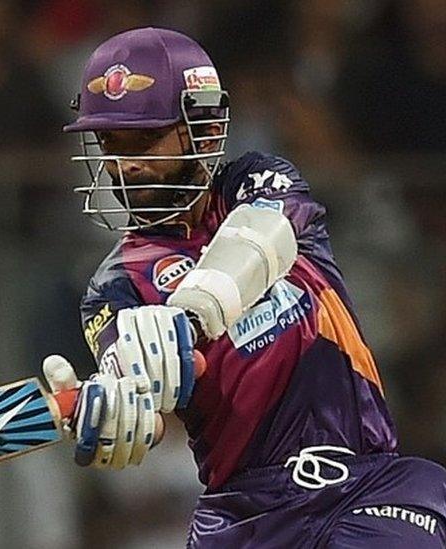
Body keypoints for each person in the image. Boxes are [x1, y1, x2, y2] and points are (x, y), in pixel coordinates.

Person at [44, 27, 446, 547]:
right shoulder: (113, 286)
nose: (125, 164)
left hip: (365, 486)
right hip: (244, 517)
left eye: (143, 139)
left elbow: (263, 237)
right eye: (110, 144)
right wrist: (114, 412)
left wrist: (188, 316)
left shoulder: (256, 182)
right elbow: (149, 403)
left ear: (204, 133)